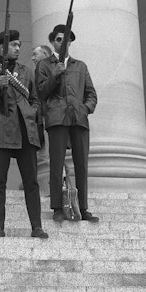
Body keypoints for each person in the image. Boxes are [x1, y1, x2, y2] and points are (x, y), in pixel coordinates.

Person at [0, 30, 47, 239]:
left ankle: (37, 226)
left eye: (19, 45)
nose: (18, 48)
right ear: (0, 48)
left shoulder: (26, 72)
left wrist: (33, 111)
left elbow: (35, 99)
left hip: (26, 128)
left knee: (31, 181)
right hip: (0, 130)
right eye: (14, 44)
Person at [36, 24, 99, 223]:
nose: (63, 43)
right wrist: (55, 74)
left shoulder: (80, 66)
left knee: (82, 164)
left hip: (78, 119)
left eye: (66, 39)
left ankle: (83, 207)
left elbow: (91, 94)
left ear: (70, 42)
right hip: (57, 119)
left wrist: (85, 108)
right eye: (58, 39)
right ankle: (57, 208)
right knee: (56, 164)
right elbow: (41, 93)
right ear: (53, 42)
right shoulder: (44, 65)